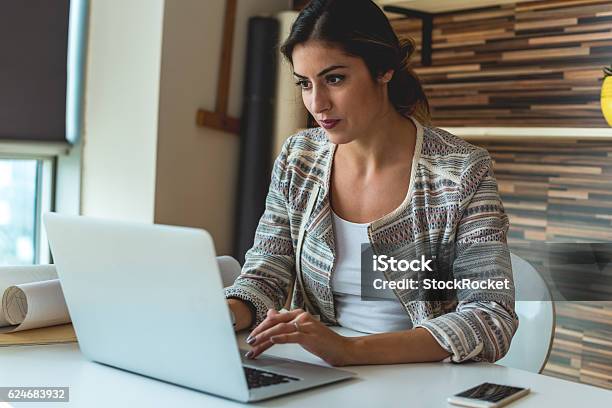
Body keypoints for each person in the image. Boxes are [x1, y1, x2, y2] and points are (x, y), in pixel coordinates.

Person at [226, 0, 518, 367]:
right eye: (305, 83)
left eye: (335, 79)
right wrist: (224, 312)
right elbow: (266, 273)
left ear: (384, 70)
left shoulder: (461, 171)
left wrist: (350, 351)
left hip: (421, 378)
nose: (317, 103)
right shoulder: (298, 158)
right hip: (320, 371)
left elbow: (490, 315)